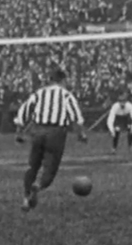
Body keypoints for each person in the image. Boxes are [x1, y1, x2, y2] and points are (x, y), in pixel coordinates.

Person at [14, 67, 87, 212]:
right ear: (63, 80)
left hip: (38, 131)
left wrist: (20, 132)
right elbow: (76, 117)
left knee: (32, 166)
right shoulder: (66, 95)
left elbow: (23, 111)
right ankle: (39, 185)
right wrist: (81, 134)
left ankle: (25, 198)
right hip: (56, 133)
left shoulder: (39, 93)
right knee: (51, 167)